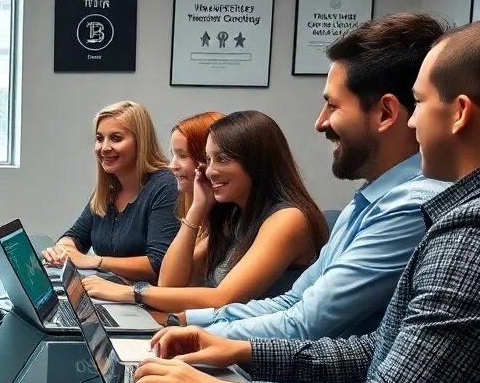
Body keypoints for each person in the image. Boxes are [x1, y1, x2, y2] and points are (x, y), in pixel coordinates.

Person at [131, 16, 480, 383]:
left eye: (422, 103)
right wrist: (240, 352)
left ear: (459, 114)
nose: (414, 124)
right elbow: (379, 352)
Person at [181, 12, 451, 339]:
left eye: (333, 106)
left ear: (385, 113)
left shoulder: (410, 208)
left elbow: (306, 324)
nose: (320, 122)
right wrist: (188, 323)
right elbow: (295, 301)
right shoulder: (367, 202)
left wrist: (198, 335)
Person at [83, 111, 327, 312]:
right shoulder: (237, 216)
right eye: (208, 160)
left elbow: (224, 298)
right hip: (226, 339)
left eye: (221, 159)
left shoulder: (287, 219)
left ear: (256, 162)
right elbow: (169, 284)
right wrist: (198, 208)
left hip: (260, 355)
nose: (209, 171)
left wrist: (130, 293)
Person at [42, 101, 180, 281]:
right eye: (100, 139)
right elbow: (75, 236)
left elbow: (158, 263)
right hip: (109, 297)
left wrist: (94, 261)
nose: (104, 148)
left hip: (147, 303)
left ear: (140, 142)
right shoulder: (109, 190)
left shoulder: (165, 186)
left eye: (116, 138)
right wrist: (61, 250)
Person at [168, 111, 224, 224]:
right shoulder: (184, 201)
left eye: (182, 155)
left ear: (207, 157)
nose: (172, 166)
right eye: (173, 155)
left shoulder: (228, 223)